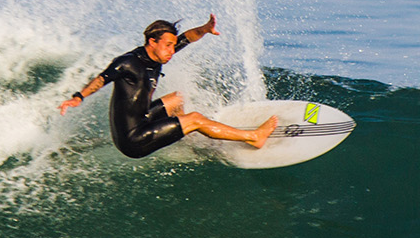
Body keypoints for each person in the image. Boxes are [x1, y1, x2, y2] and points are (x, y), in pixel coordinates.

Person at [59, 15, 276, 157]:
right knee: (196, 118)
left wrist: (205, 28)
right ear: (152, 42)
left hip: (142, 119)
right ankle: (254, 137)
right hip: (133, 140)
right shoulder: (128, 62)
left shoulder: (157, 56)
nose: (172, 50)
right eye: (168, 45)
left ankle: (187, 136)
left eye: (173, 46)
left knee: (176, 99)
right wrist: (78, 97)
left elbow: (186, 38)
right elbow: (101, 79)